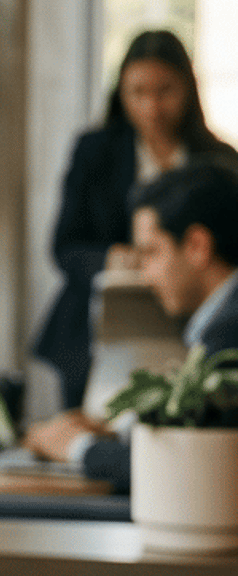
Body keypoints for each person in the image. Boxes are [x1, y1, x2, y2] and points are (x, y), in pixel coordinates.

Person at [32, 28, 225, 409]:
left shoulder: (218, 162)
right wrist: (114, 257)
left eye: (165, 91)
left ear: (188, 87)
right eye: (138, 92)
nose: (152, 108)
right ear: (120, 92)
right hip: (96, 327)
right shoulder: (94, 152)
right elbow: (63, 246)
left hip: (184, 330)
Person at [26, 155, 238, 491]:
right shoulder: (220, 323)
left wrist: (77, 448)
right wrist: (116, 434)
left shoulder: (229, 336)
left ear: (197, 246)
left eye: (152, 253)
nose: (145, 275)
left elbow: (182, 471)